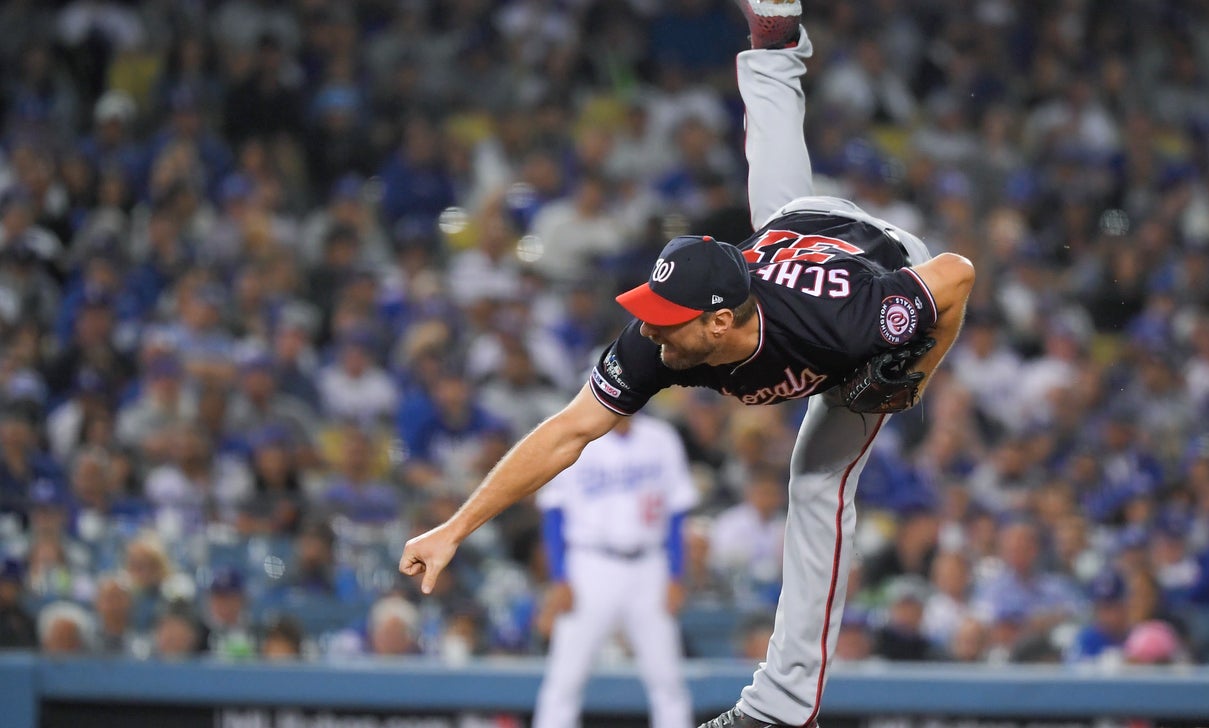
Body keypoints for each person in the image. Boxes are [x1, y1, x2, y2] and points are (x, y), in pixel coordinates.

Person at [400, 2, 975, 726]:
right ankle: (773, 44)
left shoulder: (844, 320)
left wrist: (914, 375)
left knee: (817, 482)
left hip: (880, 269)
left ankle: (781, 708)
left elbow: (956, 274)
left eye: (668, 319)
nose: (650, 329)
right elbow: (568, 432)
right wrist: (454, 527)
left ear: (719, 320)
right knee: (778, 208)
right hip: (797, 231)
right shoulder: (666, 336)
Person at [532, 413, 698, 728]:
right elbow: (554, 512)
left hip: (650, 565)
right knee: (565, 678)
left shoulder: (661, 438)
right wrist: (560, 578)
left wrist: (676, 575)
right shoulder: (575, 436)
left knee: (667, 679)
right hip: (590, 565)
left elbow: (677, 512)